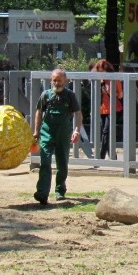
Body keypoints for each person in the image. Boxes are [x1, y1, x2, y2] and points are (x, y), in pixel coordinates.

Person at [32, 67, 82, 205]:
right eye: (54, 80)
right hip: (47, 132)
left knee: (62, 163)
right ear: (51, 81)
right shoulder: (45, 95)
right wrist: (36, 131)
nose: (57, 83)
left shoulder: (70, 96)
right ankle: (42, 193)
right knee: (45, 161)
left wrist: (76, 130)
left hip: (63, 132)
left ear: (65, 81)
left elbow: (78, 113)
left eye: (59, 80)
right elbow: (38, 112)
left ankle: (60, 190)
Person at [91, 59, 121, 160]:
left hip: (112, 109)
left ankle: (101, 155)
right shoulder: (99, 81)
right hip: (102, 109)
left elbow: (120, 95)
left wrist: (113, 93)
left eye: (101, 70)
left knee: (106, 132)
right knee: (106, 132)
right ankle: (113, 155)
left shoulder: (114, 79)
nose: (100, 73)